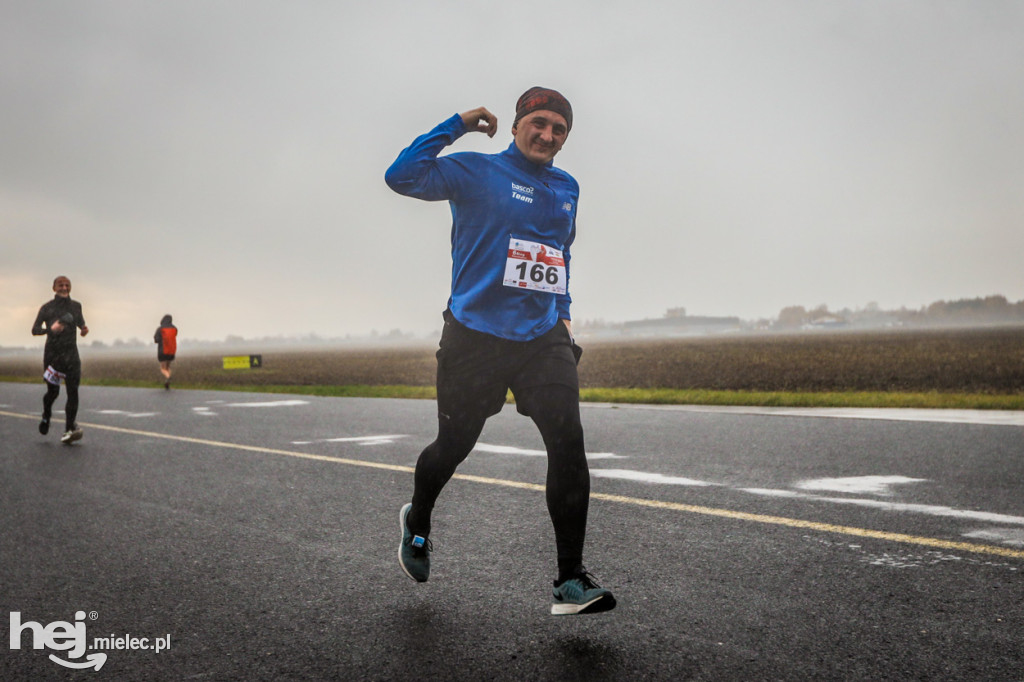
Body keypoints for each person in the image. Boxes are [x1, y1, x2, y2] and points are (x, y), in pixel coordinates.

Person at [385, 87, 615, 616]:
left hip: (542, 338)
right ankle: (417, 520)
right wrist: (457, 122)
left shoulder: (566, 187)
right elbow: (401, 175)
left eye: (559, 129)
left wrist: (563, 316)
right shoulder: (474, 171)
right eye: (538, 123)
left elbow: (559, 256)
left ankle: (570, 581)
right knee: (453, 444)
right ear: (515, 127)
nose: (548, 135)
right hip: (474, 335)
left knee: (569, 440)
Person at [31, 275, 89, 445]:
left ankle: (69, 428)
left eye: (67, 285)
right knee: (53, 392)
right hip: (53, 357)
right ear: (54, 288)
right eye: (60, 285)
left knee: (73, 392)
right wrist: (51, 329)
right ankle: (46, 415)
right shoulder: (47, 308)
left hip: (71, 355)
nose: (64, 288)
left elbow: (81, 326)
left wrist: (84, 330)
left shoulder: (76, 306)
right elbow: (34, 330)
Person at [154, 314, 178, 389]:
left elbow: (156, 339)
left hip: (163, 350)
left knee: (163, 368)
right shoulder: (174, 328)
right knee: (168, 367)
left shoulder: (160, 329)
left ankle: (168, 377)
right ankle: (167, 381)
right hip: (171, 351)